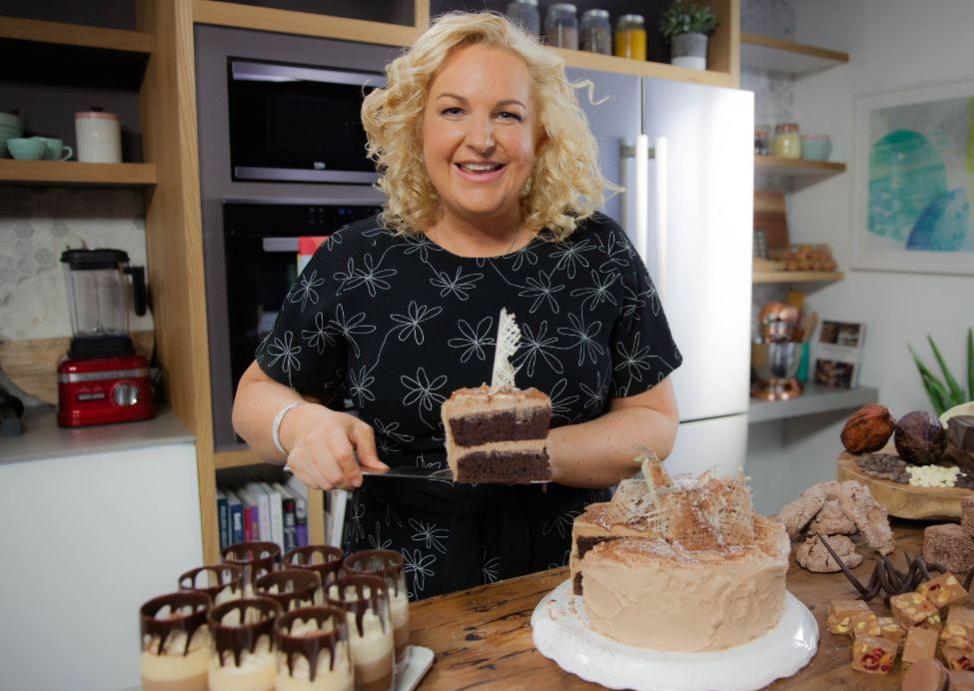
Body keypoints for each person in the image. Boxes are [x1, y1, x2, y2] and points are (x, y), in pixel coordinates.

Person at [232, 11, 682, 600]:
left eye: (508, 114)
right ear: (416, 130)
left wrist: (529, 454)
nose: (482, 138)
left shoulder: (598, 252)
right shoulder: (356, 257)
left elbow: (653, 421)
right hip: (398, 589)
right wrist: (301, 424)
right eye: (453, 110)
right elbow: (254, 398)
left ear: (541, 136)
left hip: (572, 582)